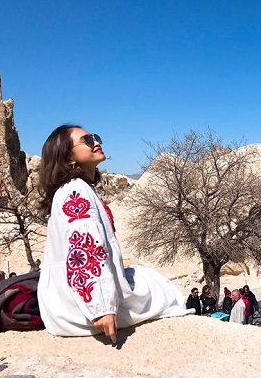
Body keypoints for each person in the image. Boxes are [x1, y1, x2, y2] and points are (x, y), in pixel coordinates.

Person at [36, 125, 192, 345]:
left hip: (68, 297)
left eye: (95, 137)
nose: (96, 142)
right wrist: (101, 308)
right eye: (87, 140)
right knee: (163, 291)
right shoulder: (75, 190)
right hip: (77, 306)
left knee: (146, 277)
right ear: (68, 157)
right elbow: (84, 247)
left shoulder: (78, 187)